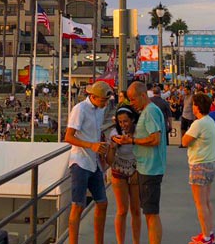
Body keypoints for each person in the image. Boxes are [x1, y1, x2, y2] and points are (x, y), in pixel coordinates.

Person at [117, 81, 166, 244]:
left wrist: (132, 140)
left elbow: (155, 139)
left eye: (133, 99)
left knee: (151, 214)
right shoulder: (150, 111)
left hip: (150, 169)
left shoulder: (150, 112)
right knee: (150, 213)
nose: (132, 103)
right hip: (149, 167)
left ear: (143, 95)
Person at [65, 80, 111, 244]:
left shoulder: (100, 109)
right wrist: (91, 145)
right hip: (80, 161)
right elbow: (69, 136)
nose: (105, 104)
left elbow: (96, 133)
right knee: (77, 205)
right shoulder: (80, 109)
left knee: (102, 203)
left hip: (94, 162)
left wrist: (100, 152)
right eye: (103, 100)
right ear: (93, 97)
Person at [182, 93, 215, 244]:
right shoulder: (210, 121)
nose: (192, 106)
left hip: (199, 164)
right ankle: (208, 232)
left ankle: (206, 237)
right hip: (209, 163)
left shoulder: (198, 124)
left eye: (194, 104)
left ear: (197, 106)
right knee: (207, 201)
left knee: (200, 203)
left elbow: (184, 141)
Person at [106, 106, 141, 244]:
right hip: (118, 170)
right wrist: (112, 147)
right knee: (122, 210)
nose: (123, 125)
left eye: (125, 121)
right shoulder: (115, 133)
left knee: (136, 210)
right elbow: (109, 161)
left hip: (135, 169)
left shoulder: (139, 132)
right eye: (120, 122)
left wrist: (137, 171)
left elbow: (144, 154)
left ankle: (136, 241)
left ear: (132, 119)